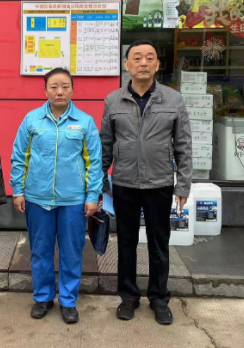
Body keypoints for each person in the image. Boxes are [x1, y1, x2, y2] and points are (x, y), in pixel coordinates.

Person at [99, 39, 192, 325]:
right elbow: (105, 144)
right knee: (126, 242)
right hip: (124, 183)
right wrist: (100, 182)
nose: (143, 62)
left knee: (159, 243)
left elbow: (183, 145)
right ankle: (128, 297)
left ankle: (159, 299)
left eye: (149, 57)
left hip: (160, 183)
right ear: (126, 65)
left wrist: (183, 185)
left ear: (157, 65)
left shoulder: (173, 100)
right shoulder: (113, 100)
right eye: (137, 57)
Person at [10, 68, 103, 324]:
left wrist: (92, 195)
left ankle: (68, 301)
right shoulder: (32, 120)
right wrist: (18, 190)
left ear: (72, 90)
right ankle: (42, 297)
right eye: (53, 87)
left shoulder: (85, 122)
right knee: (40, 250)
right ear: (45, 90)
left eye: (65, 86)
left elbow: (94, 162)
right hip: (37, 198)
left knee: (72, 252)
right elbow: (19, 157)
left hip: (73, 200)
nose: (59, 91)